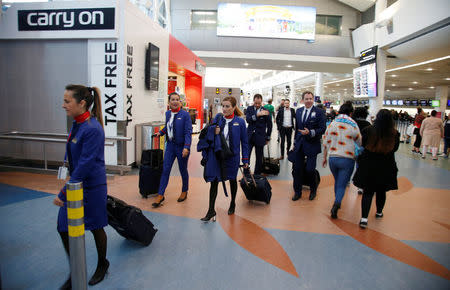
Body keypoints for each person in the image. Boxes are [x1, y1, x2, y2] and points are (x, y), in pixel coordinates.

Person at [54, 84, 109, 288]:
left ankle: (103, 263)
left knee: (96, 227)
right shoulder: (77, 123)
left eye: (67, 101)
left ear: (82, 103)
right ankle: (76, 269)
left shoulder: (93, 129)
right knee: (62, 227)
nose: (63, 105)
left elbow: (85, 164)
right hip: (76, 184)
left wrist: (63, 193)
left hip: (92, 187)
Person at [199, 96, 249, 221]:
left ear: (233, 107)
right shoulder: (218, 118)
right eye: (223, 106)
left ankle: (232, 203)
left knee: (232, 180)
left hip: (232, 157)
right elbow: (207, 131)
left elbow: (245, 142)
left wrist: (245, 160)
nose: (224, 109)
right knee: (214, 182)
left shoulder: (240, 122)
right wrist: (213, 131)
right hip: (218, 156)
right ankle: (211, 210)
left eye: (227, 106)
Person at [353, 109, 400, 229]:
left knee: (368, 192)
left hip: (369, 165)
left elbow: (362, 144)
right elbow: (395, 149)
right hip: (386, 165)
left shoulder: (368, 130)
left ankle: (364, 218)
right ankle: (379, 212)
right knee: (381, 191)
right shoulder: (394, 133)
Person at [322, 101, 361, 218]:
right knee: (342, 184)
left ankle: (336, 200)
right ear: (351, 112)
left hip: (333, 158)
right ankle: (337, 203)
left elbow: (325, 141)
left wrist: (324, 157)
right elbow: (359, 141)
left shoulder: (332, 123)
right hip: (347, 159)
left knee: (337, 181)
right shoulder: (353, 124)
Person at [153, 92, 192, 207]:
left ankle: (184, 191)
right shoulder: (168, 113)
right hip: (170, 145)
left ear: (180, 102)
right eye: (172, 99)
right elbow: (168, 125)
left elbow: (188, 132)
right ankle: (160, 195)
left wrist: (186, 147)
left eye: (177, 99)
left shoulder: (185, 115)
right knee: (165, 170)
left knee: (183, 170)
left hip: (181, 147)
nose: (175, 101)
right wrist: (161, 132)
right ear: (169, 102)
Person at [291, 91, 326, 201]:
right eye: (306, 99)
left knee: (310, 170)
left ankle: (313, 190)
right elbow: (297, 129)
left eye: (311, 98)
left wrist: (310, 132)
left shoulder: (319, 112)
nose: (309, 100)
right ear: (303, 100)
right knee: (297, 169)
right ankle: (297, 192)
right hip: (300, 144)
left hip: (312, 144)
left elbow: (322, 128)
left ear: (313, 99)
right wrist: (294, 142)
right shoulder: (299, 111)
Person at [245, 94, 272, 175]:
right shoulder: (249, 109)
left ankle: (257, 175)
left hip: (260, 137)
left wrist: (267, 137)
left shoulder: (266, 111)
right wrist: (257, 115)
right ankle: (246, 174)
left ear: (261, 102)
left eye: (259, 103)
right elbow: (248, 120)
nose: (257, 105)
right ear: (254, 101)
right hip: (249, 136)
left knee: (259, 157)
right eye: (256, 103)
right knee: (247, 156)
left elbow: (270, 125)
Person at [352, 106, 371, 195]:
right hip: (362, 148)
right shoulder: (368, 124)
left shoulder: (352, 123)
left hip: (350, 147)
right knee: (359, 166)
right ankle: (360, 187)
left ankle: (346, 181)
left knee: (349, 165)